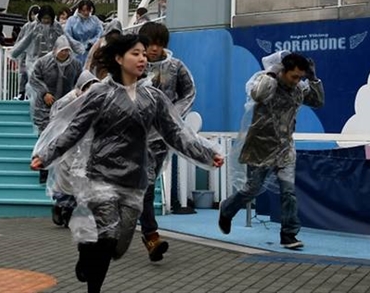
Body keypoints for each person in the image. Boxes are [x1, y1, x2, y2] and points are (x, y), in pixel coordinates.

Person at [30, 34, 224, 293]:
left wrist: (207, 154)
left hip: (134, 180)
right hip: (99, 177)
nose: (143, 58)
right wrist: (46, 155)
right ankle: (92, 280)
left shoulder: (152, 98)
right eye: (136, 53)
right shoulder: (100, 94)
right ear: (119, 59)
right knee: (108, 237)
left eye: (144, 53)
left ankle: (87, 248)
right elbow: (74, 129)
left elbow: (176, 133)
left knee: (119, 246)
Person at [218, 51, 324, 249]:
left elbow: (318, 102)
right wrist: (272, 72)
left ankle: (289, 234)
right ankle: (227, 209)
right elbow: (257, 94)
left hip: (285, 148)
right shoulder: (267, 81)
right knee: (251, 190)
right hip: (262, 147)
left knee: (289, 192)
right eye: (294, 76)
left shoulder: (298, 89)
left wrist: (313, 79)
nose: (296, 81)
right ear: (283, 71)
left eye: (300, 77)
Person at [136, 22, 196, 262]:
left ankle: (140, 230)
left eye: (159, 44)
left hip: (161, 139)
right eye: (150, 44)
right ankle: (151, 236)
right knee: (145, 187)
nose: (154, 49)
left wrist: (171, 114)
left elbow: (189, 93)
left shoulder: (175, 67)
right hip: (134, 137)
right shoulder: (133, 64)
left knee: (145, 186)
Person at [28, 35, 83, 184]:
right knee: (45, 137)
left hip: (66, 107)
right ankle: (43, 171)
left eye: (67, 51)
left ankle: (60, 173)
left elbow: (80, 82)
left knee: (62, 138)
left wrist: (75, 96)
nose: (64, 54)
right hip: (45, 106)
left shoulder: (75, 65)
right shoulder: (43, 63)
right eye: (62, 51)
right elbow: (34, 79)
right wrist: (44, 92)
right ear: (55, 50)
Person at [47, 70, 100, 227]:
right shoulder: (68, 101)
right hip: (67, 144)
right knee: (65, 176)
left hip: (84, 145)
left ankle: (71, 210)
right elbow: (57, 119)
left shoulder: (95, 101)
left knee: (80, 177)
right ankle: (61, 207)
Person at [11, 5, 83, 101]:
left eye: (48, 19)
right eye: (44, 18)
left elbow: (66, 39)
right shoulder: (32, 27)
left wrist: (77, 48)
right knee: (35, 81)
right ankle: (34, 101)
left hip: (50, 61)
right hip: (33, 60)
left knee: (49, 84)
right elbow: (24, 42)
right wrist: (15, 53)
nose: (46, 21)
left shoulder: (56, 26)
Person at [65, 0, 103, 67]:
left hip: (91, 50)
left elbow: (100, 33)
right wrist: (77, 45)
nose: (86, 13)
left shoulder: (94, 20)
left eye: (88, 10)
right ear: (79, 10)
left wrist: (92, 42)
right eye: (83, 10)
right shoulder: (71, 20)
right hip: (75, 53)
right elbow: (67, 34)